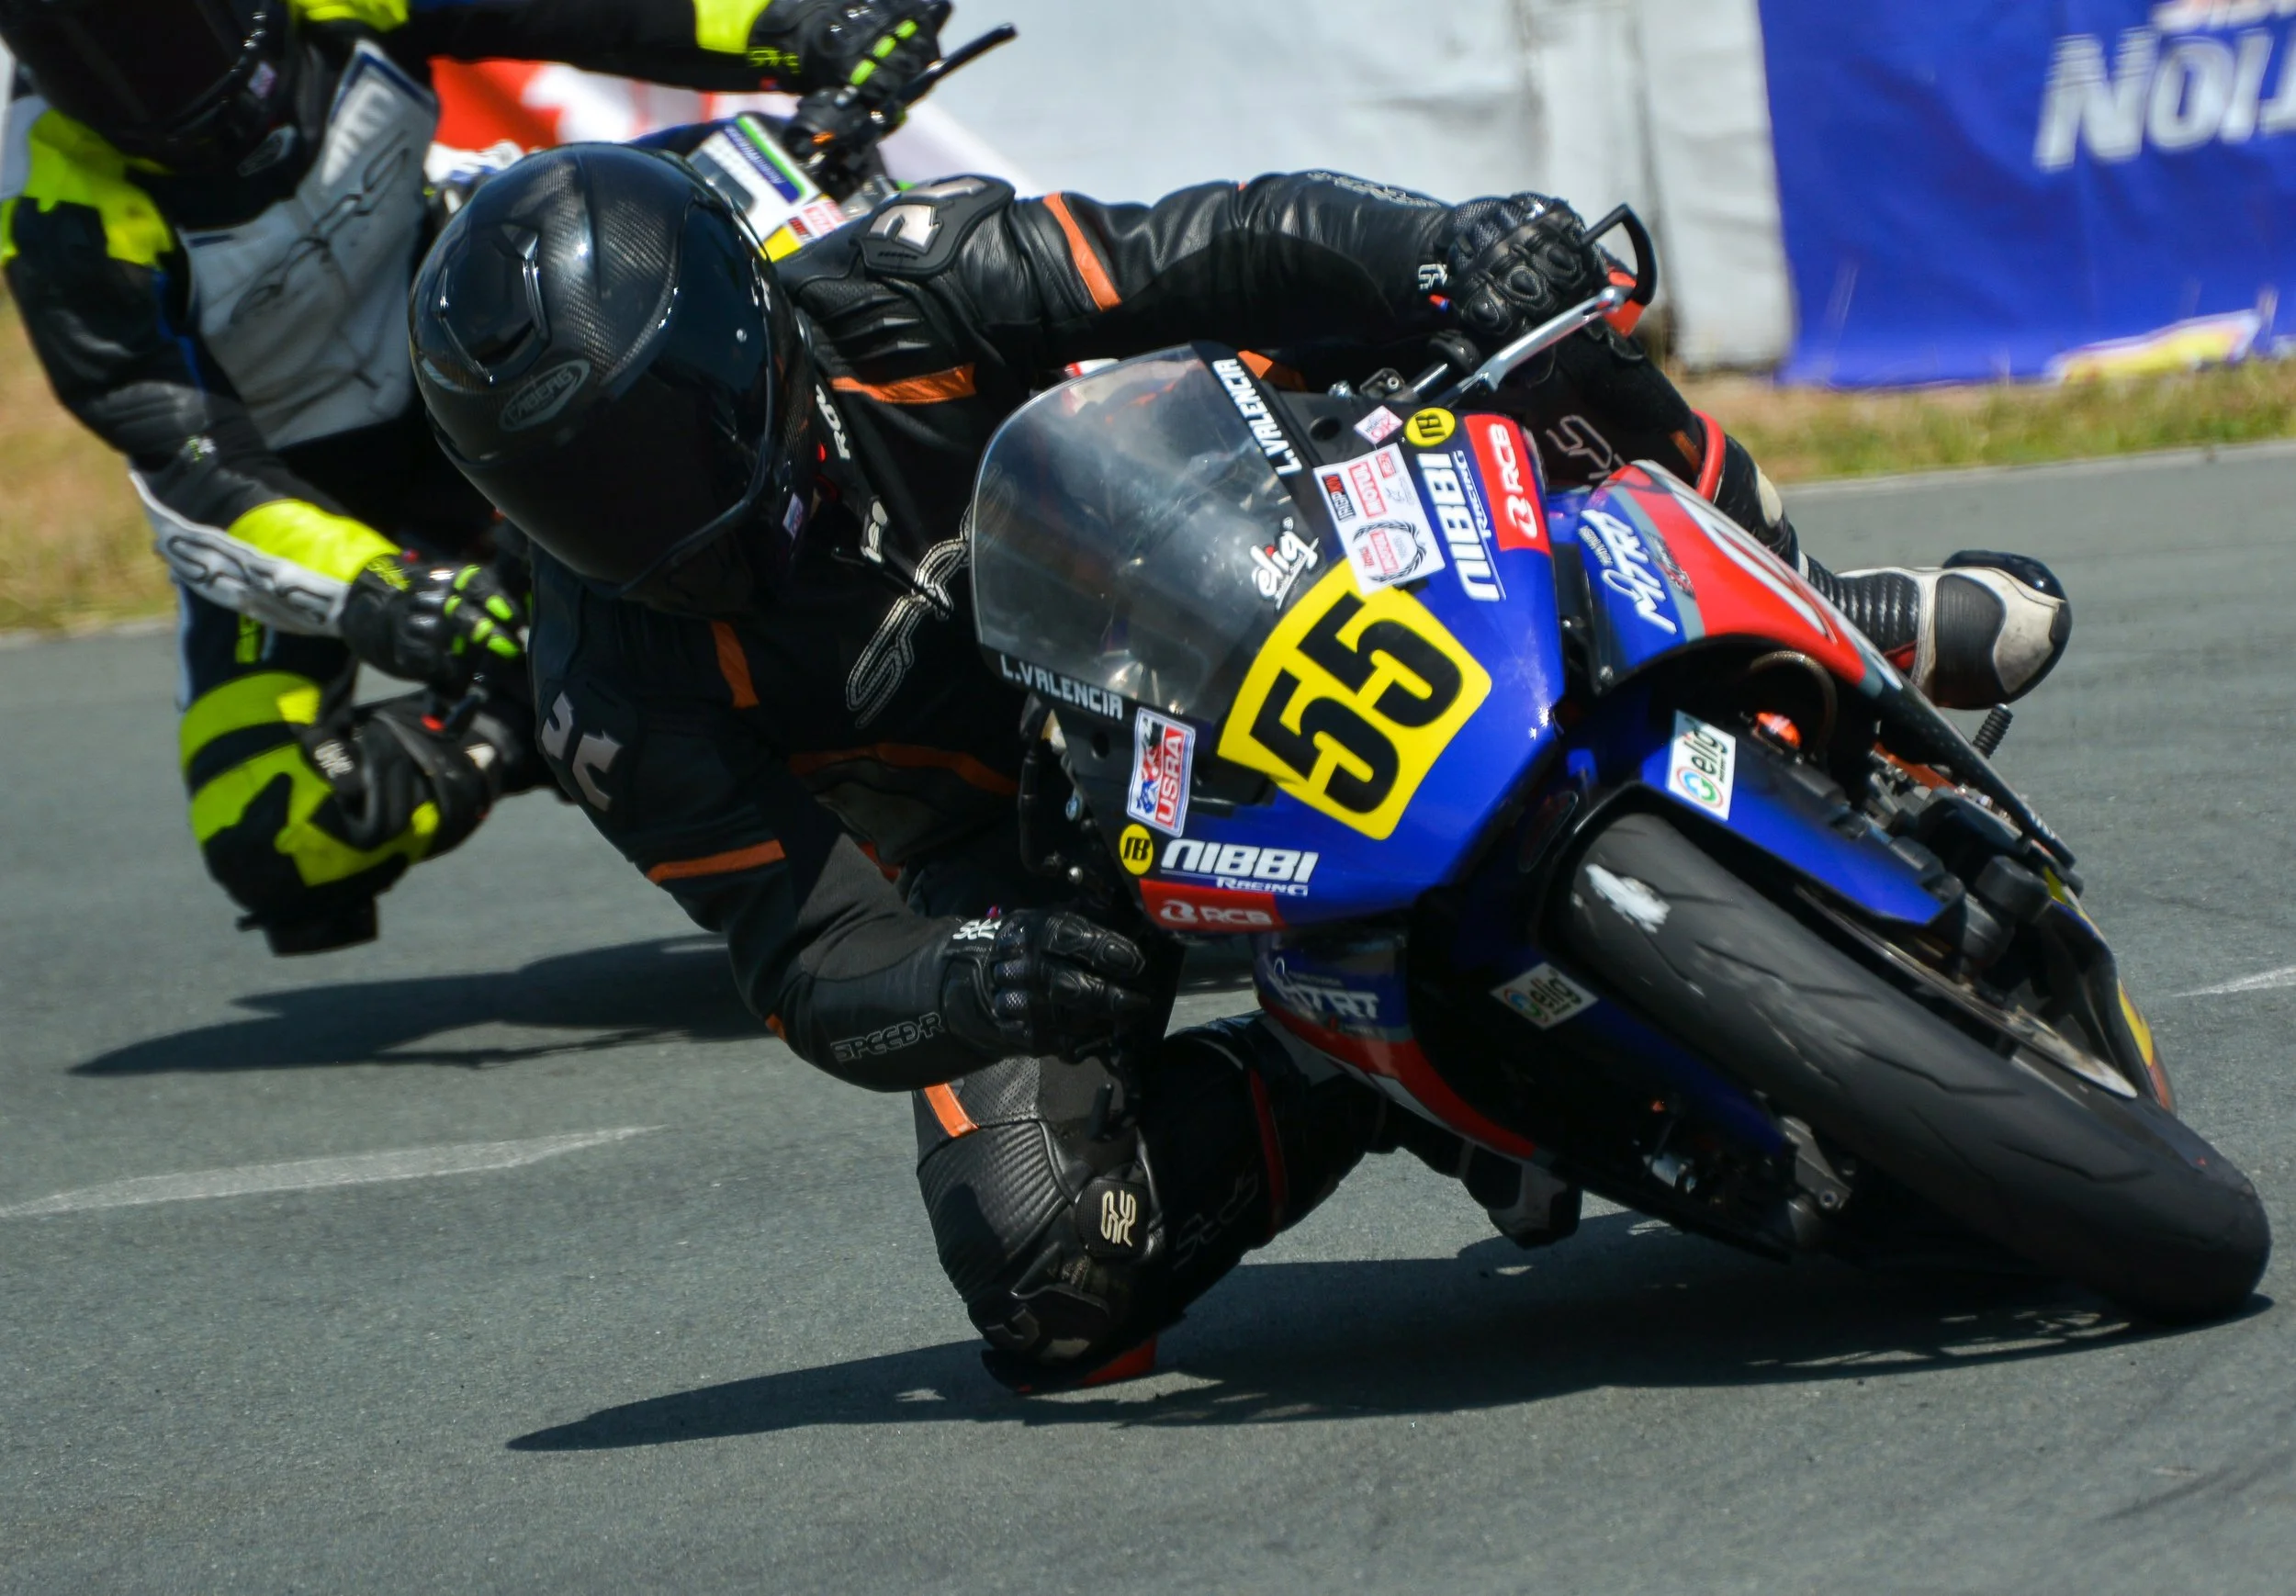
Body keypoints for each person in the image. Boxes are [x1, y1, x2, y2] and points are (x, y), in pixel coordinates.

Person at [411, 143, 2074, 1387]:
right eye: (575, 492)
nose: (637, 518)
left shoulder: (906, 279)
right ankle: (1352, 1060)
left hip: (1268, 554)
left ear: (741, 341)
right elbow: (810, 952)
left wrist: (1439, 250)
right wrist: (973, 974)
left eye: (649, 446)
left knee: (1529, 305)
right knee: (1049, 1267)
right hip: (1051, 846)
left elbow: (1222, 242)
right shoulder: (608, 688)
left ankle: (1795, 604)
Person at [0, 0, 947, 953]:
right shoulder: (53, 205)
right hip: (312, 490)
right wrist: (389, 591)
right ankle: (527, 701)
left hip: (478, 329)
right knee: (276, 830)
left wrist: (801, 27)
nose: (145, 77)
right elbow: (186, 462)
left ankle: (938, 485)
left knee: (748, 177)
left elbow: (606, 17)